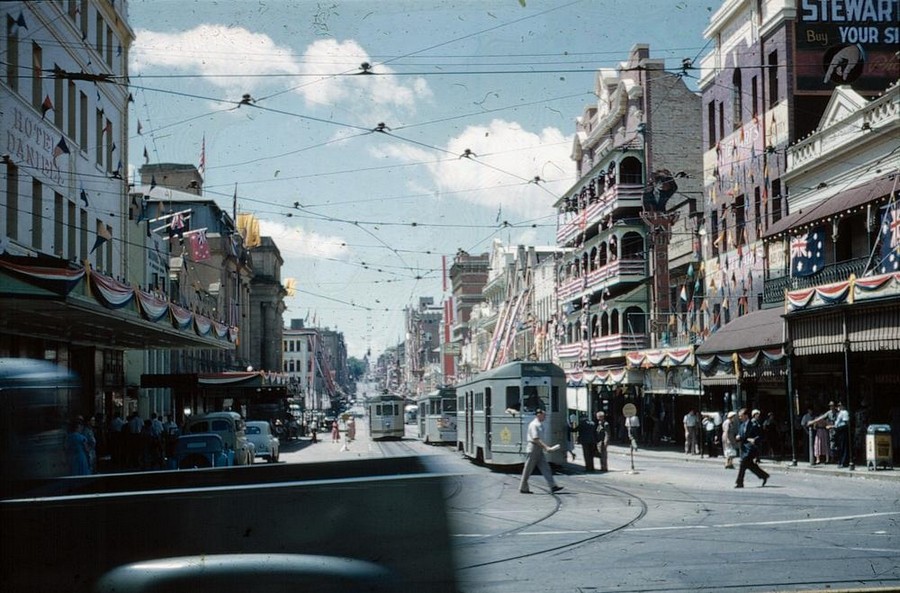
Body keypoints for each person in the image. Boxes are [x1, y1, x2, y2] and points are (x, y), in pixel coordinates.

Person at [519, 409, 563, 494]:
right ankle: (523, 487)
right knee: (528, 469)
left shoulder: (540, 425)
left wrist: (544, 447)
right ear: (538, 415)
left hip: (538, 449)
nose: (545, 417)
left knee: (546, 468)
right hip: (533, 448)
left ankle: (553, 486)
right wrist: (546, 447)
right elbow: (535, 439)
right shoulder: (534, 425)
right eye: (544, 415)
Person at [734, 408, 769, 488]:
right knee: (750, 465)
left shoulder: (753, 425)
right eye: (739, 416)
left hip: (750, 449)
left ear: (746, 416)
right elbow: (741, 435)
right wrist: (737, 437)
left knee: (743, 463)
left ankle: (739, 482)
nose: (740, 418)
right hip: (744, 449)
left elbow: (760, 435)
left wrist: (754, 440)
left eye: (741, 416)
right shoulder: (741, 425)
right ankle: (764, 475)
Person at [833, 402, 851, 467]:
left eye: (840, 405)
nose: (839, 407)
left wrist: (838, 427)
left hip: (842, 431)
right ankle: (840, 461)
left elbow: (846, 423)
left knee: (843, 447)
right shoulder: (840, 413)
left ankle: (844, 462)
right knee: (840, 447)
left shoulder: (844, 412)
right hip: (838, 431)